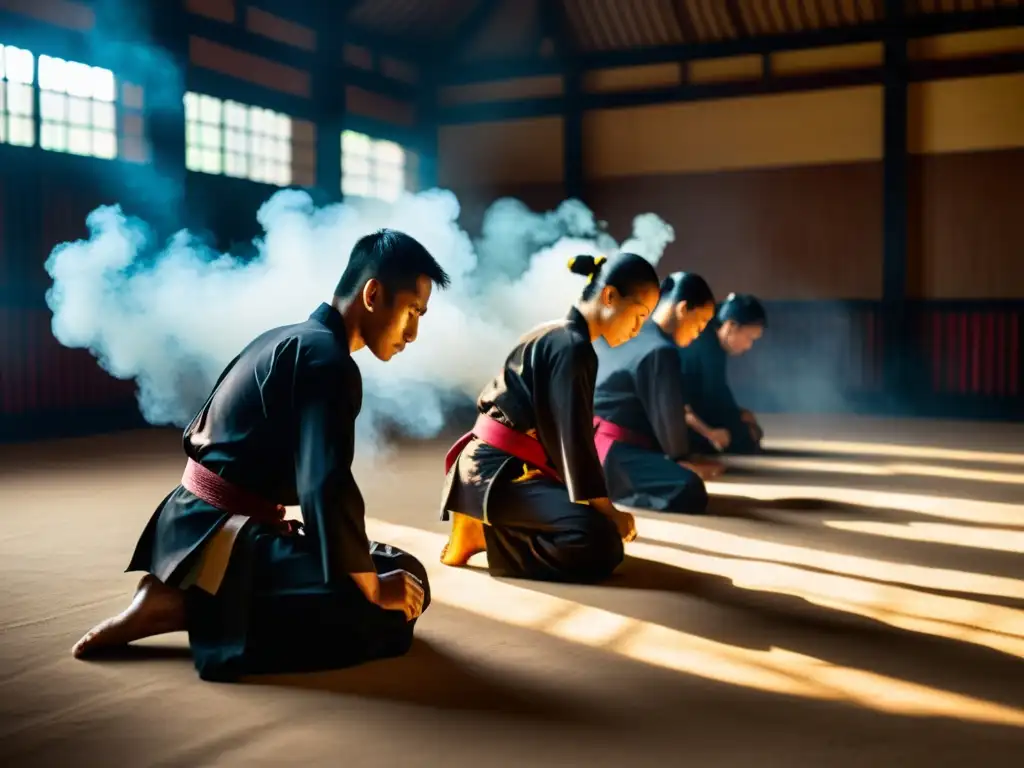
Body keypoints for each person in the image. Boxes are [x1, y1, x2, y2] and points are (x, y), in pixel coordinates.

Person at [71, 229, 450, 682]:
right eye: (412, 311)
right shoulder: (328, 361)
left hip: (186, 526)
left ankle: (185, 589)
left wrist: (368, 573)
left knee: (401, 573)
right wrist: (369, 585)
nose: (414, 332)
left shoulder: (288, 337)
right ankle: (185, 604)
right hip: (222, 535)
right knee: (390, 605)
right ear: (373, 294)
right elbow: (323, 486)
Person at [439, 253, 661, 583]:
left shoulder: (556, 334)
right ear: (610, 296)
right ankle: (482, 536)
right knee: (601, 543)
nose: (637, 328)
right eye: (639, 315)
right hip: (496, 473)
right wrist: (609, 511)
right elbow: (573, 441)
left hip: (493, 469)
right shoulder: (573, 347)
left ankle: (484, 524)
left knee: (594, 528)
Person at [592, 271, 720, 514]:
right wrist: (680, 460)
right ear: (683, 309)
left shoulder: (630, 331)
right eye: (701, 322)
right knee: (689, 488)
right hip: (611, 453)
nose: (699, 332)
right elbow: (668, 420)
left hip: (588, 444)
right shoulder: (660, 350)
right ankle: (611, 488)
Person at [680, 292, 767, 455]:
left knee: (747, 432)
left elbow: (717, 391)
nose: (749, 346)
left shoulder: (712, 342)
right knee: (745, 437)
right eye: (749, 338)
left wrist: (738, 413)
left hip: (691, 411)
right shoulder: (704, 344)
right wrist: (712, 432)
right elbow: (705, 400)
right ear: (731, 326)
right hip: (677, 418)